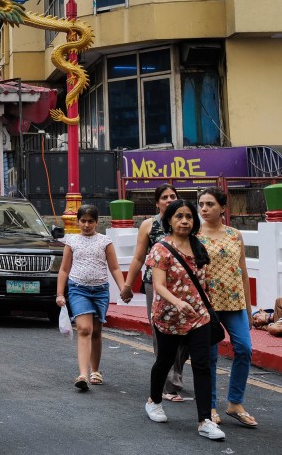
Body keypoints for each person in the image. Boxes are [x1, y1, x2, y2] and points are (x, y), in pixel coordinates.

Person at [143, 199, 225, 441]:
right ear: (169, 220)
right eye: (179, 216)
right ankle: (154, 400)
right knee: (165, 360)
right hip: (169, 317)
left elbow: (204, 282)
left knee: (202, 364)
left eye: (189, 217)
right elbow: (158, 284)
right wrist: (177, 302)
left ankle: (205, 420)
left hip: (198, 316)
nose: (185, 221)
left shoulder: (198, 247)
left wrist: (207, 309)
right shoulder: (161, 248)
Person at [122, 183, 189, 401]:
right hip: (155, 284)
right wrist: (127, 285)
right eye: (164, 197)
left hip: (185, 285)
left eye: (173, 196)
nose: (169, 200)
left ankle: (175, 374)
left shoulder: (186, 221)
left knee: (186, 333)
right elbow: (139, 257)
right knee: (161, 331)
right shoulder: (150, 225)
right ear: (157, 202)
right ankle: (169, 384)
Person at [196, 187, 257, 427]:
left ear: (223, 207)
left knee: (244, 349)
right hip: (207, 305)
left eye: (210, 204)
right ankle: (210, 405)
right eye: (201, 204)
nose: (204, 209)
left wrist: (249, 309)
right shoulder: (194, 235)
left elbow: (243, 272)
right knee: (210, 356)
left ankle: (235, 402)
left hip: (235, 303)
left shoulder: (235, 234)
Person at [56, 205, 132, 391]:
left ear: (97, 222)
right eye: (83, 221)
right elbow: (64, 269)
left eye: (91, 221)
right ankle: (82, 374)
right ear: (78, 222)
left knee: (96, 332)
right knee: (84, 329)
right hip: (78, 289)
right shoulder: (71, 241)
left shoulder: (105, 241)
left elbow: (115, 268)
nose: (87, 225)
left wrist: (123, 288)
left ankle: (95, 370)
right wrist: (59, 294)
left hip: (100, 291)